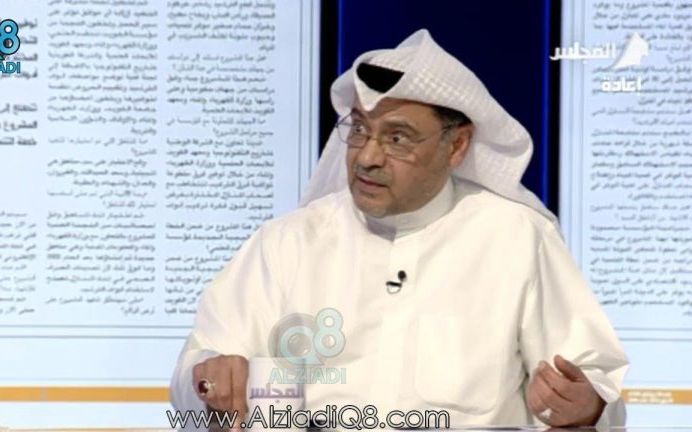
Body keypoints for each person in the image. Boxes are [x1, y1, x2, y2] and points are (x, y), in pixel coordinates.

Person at [170, 29, 629, 430]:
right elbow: (194, 378)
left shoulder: (517, 239)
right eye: (359, 130)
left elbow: (596, 391)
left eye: (397, 138)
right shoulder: (288, 243)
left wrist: (587, 406)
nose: (368, 157)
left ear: (457, 146)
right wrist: (209, 381)